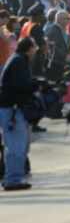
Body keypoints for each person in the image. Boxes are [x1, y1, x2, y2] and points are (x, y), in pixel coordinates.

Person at [0, 37, 36, 191]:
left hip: (11, 108)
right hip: (12, 109)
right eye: (34, 47)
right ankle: (12, 180)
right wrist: (38, 85)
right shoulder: (19, 61)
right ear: (29, 48)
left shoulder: (18, 59)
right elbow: (21, 86)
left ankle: (13, 178)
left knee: (18, 145)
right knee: (16, 146)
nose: (35, 50)